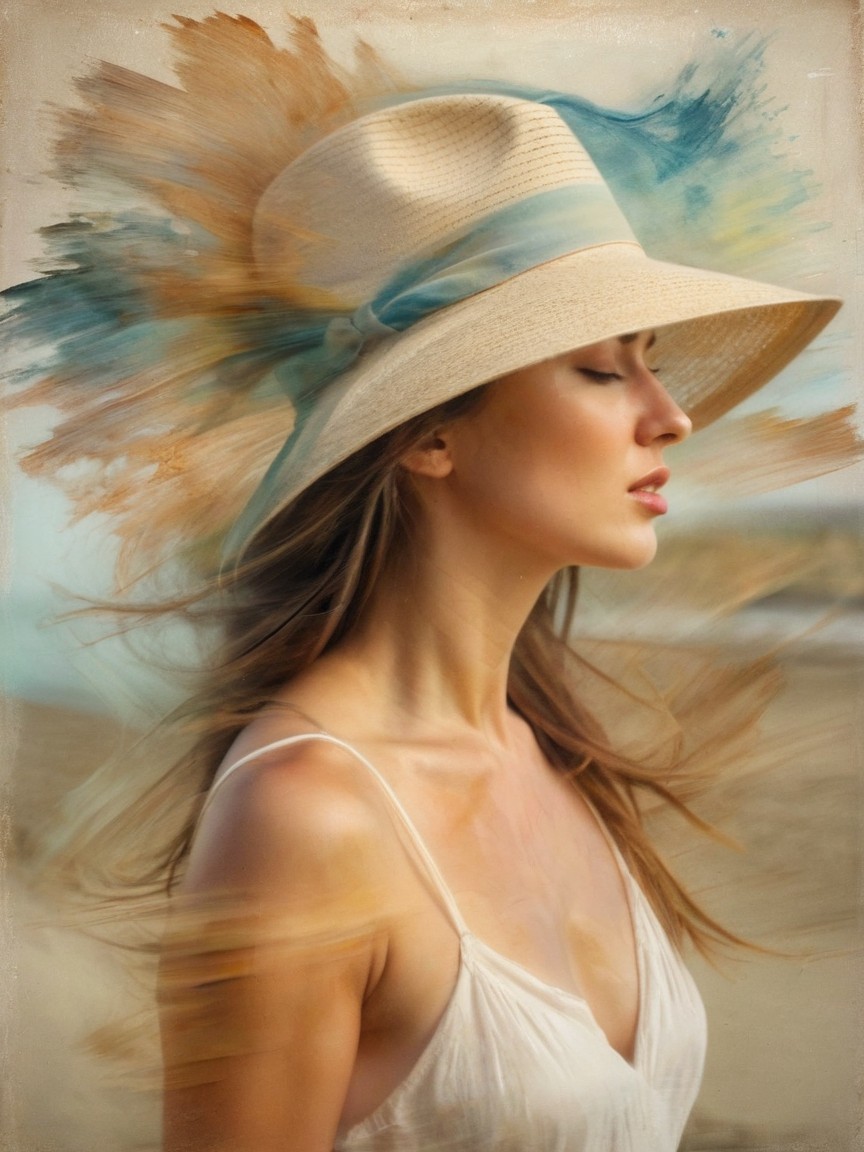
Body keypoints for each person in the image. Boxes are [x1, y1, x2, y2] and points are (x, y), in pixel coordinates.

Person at [2, 14, 844, 1152]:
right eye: (603, 368)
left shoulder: (554, 753)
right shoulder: (307, 815)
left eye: (652, 362)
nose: (672, 414)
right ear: (426, 436)